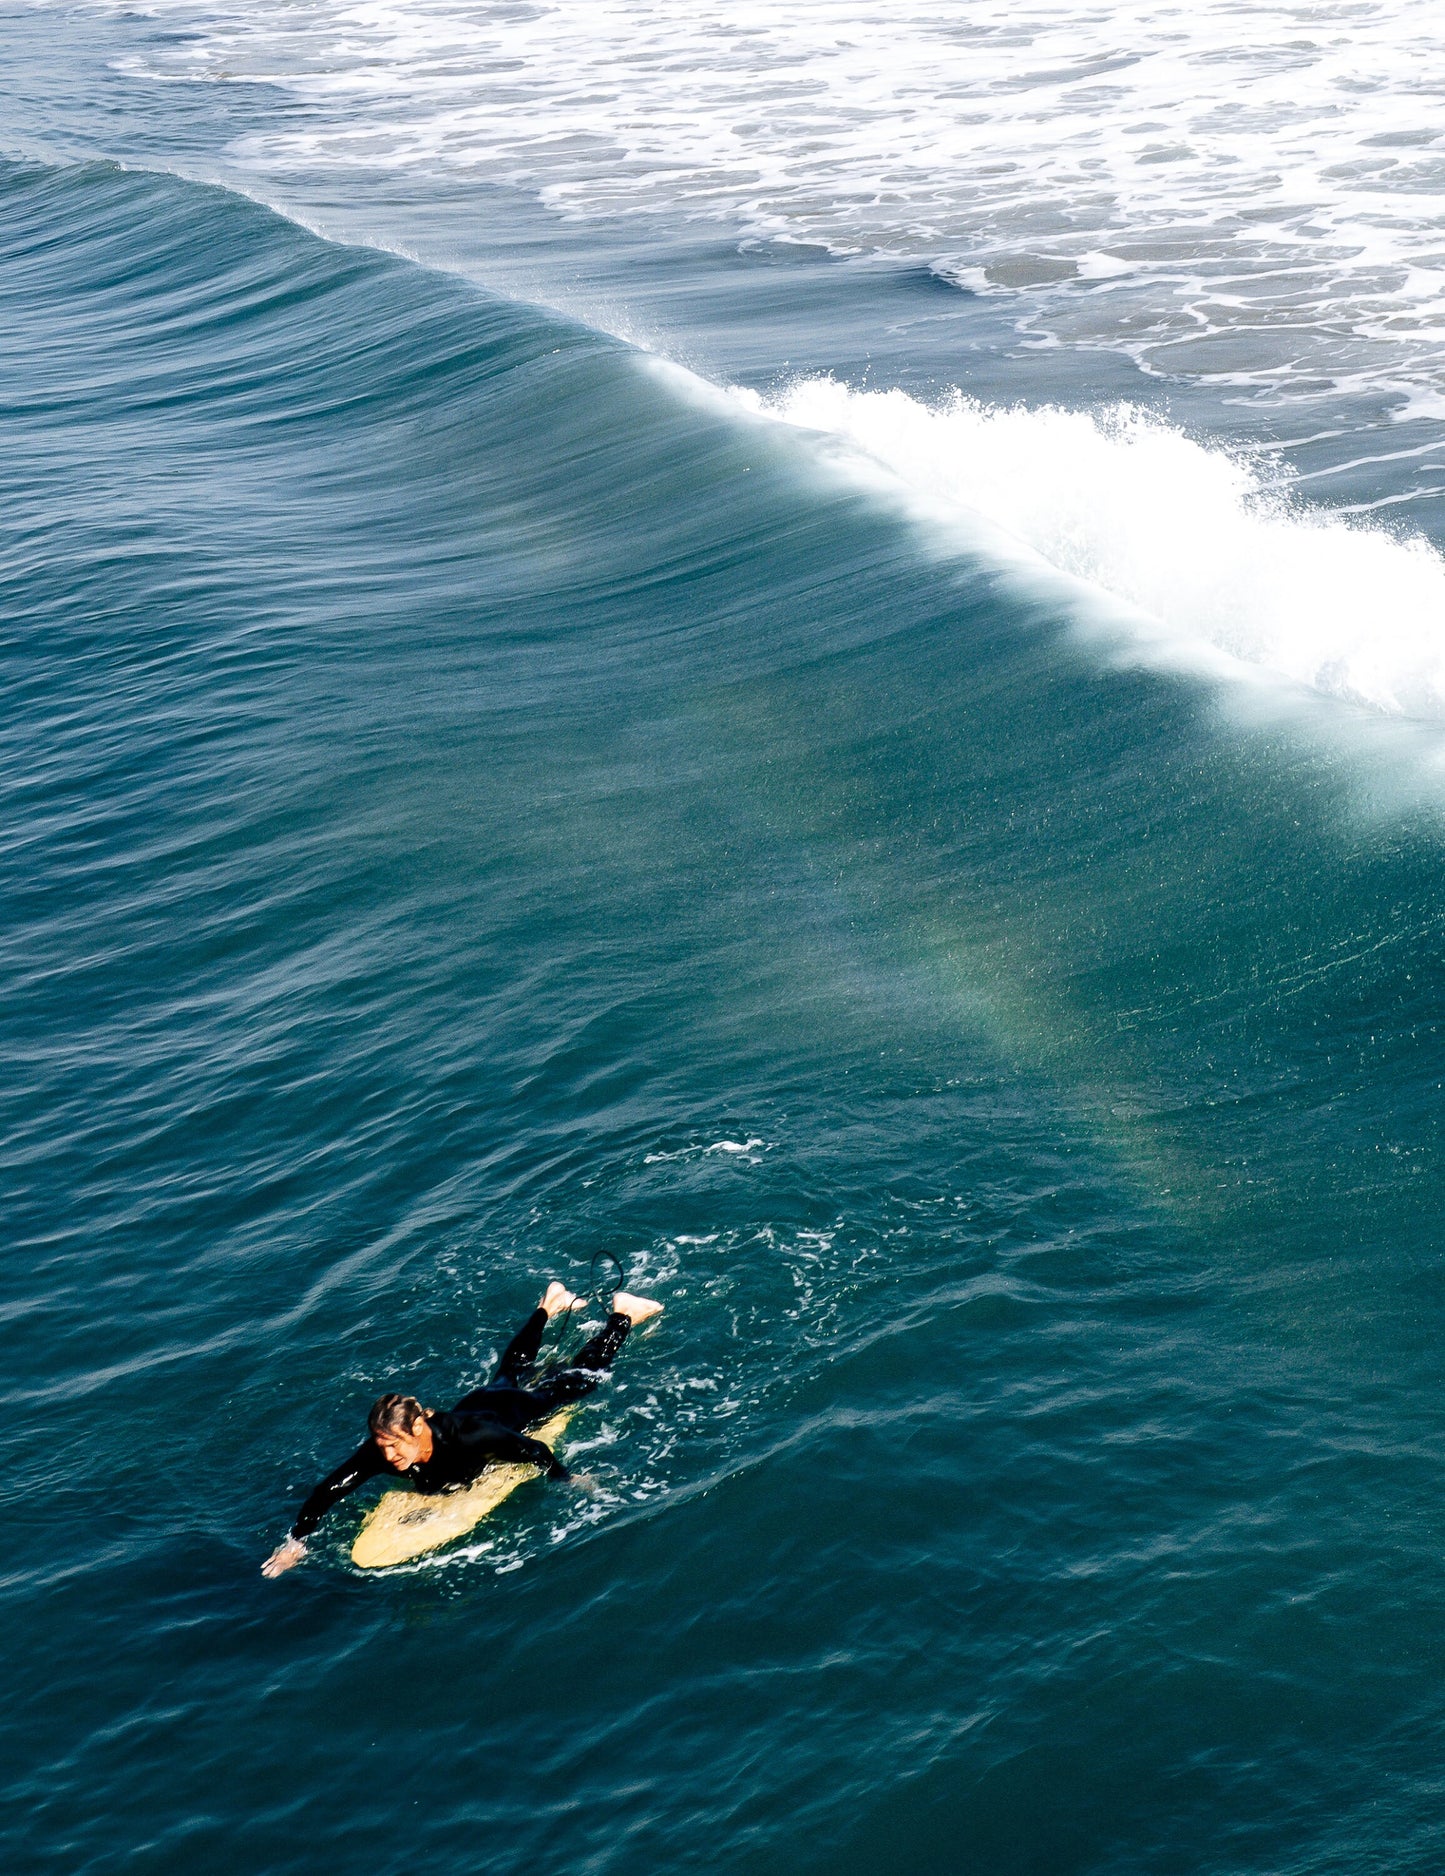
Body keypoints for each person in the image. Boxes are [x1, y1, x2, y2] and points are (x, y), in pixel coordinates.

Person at [261, 1281, 663, 1575]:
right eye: (382, 1447)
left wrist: (567, 1478)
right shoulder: (382, 1451)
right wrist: (295, 1543)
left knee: (582, 1378)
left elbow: (534, 1451)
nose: (388, 1457)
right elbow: (327, 1491)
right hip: (481, 1400)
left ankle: (622, 1313)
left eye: (395, 1446)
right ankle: (548, 1305)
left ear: (418, 1427)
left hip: (515, 1412)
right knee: (509, 1371)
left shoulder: (472, 1439)